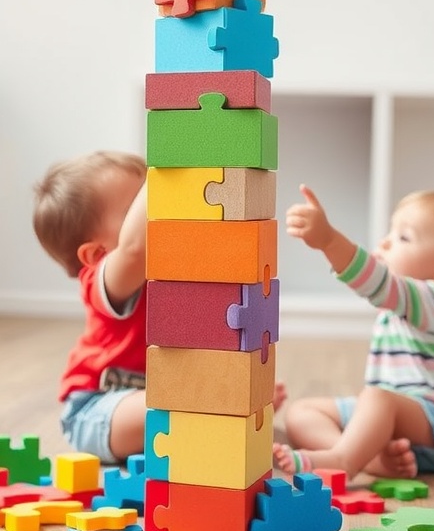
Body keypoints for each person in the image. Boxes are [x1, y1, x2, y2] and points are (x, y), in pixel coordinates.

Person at [33, 150, 286, 465]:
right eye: (136, 211)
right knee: (188, 399)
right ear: (97, 253)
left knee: (199, 399)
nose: (156, 213)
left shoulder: (171, 273)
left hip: (160, 399)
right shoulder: (100, 279)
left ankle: (225, 413)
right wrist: (168, 160)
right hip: (95, 408)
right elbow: (135, 250)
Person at [274, 184, 434, 481]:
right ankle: (370, 460)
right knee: (301, 412)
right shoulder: (411, 303)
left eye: (403, 237)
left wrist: (329, 240)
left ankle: (344, 461)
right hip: (402, 425)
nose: (385, 242)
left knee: (377, 398)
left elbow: (376, 281)